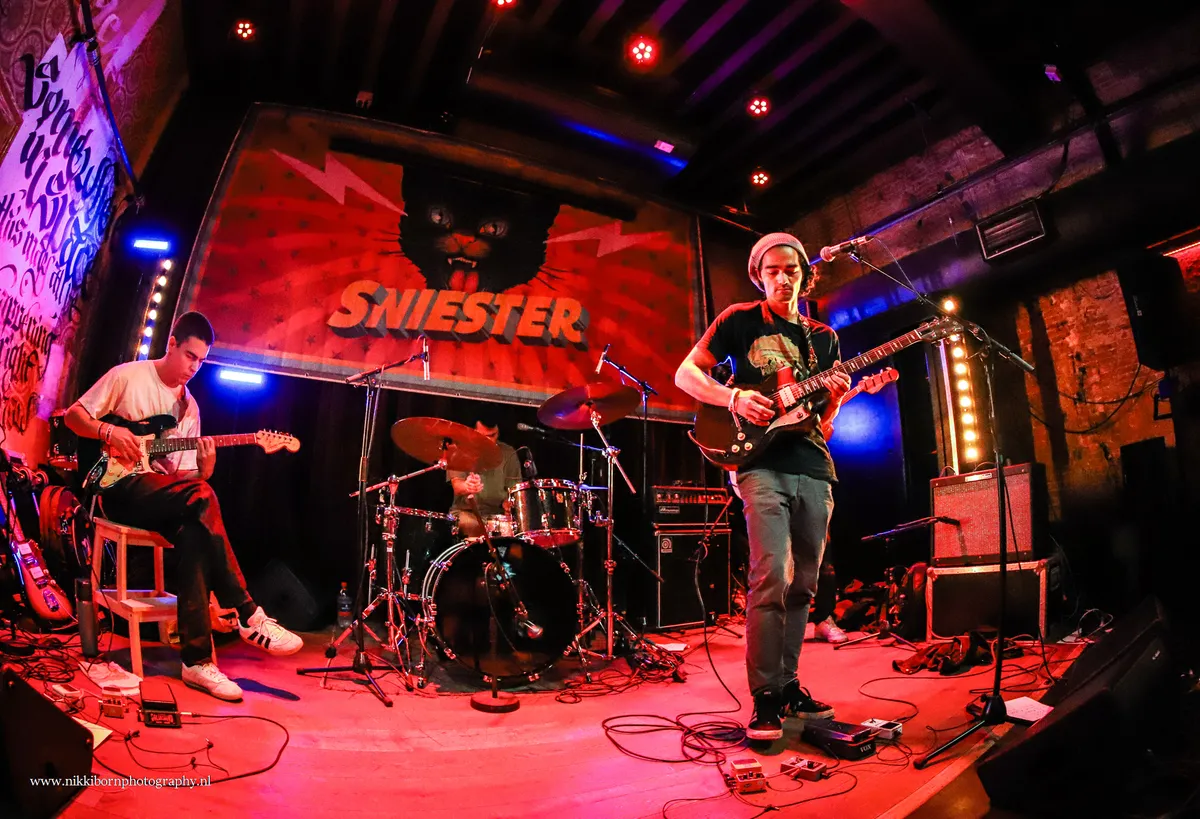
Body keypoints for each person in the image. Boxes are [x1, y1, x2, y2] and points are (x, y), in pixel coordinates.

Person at [65, 312, 302, 702]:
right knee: (201, 499)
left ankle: (197, 662)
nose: (194, 367)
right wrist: (109, 430)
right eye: (190, 356)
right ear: (171, 344)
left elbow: (185, 482)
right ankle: (247, 612)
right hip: (114, 487)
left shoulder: (189, 408)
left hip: (158, 494)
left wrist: (205, 468)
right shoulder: (128, 376)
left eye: (201, 361)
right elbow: (74, 416)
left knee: (195, 531)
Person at [675, 232, 850, 741]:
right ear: (759, 275)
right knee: (772, 573)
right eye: (772, 270)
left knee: (805, 584)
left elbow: (822, 423)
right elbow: (686, 374)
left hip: (813, 464)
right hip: (758, 465)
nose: (782, 278)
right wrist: (733, 399)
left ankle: (789, 684)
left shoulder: (824, 338)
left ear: (804, 275)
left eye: (791, 270)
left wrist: (835, 399)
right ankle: (766, 696)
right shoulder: (739, 319)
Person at [447, 414, 522, 538]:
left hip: (497, 516)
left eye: (493, 435)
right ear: (473, 433)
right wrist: (467, 486)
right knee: (472, 525)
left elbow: (514, 491)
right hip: (466, 513)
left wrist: (508, 504)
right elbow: (457, 486)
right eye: (484, 436)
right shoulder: (459, 450)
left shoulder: (508, 453)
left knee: (519, 533)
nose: (489, 441)